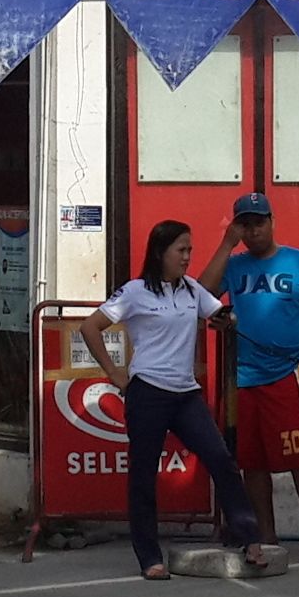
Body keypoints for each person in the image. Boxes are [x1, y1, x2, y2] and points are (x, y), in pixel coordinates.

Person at [86, 220, 262, 578]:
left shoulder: (192, 290)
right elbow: (91, 328)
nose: (186, 257)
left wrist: (227, 319)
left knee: (220, 459)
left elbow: (218, 314)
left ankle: (248, 536)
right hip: (148, 391)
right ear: (159, 252)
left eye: (189, 251)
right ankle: (149, 557)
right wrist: (116, 375)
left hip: (186, 394)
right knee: (143, 475)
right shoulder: (135, 292)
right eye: (181, 250)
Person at [206, 192, 299, 560]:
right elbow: (201, 293)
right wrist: (225, 244)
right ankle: (267, 537)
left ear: (272, 221)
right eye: (245, 224)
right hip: (242, 378)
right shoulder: (234, 265)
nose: (253, 230)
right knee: (253, 462)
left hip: (284, 374)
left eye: (259, 222)